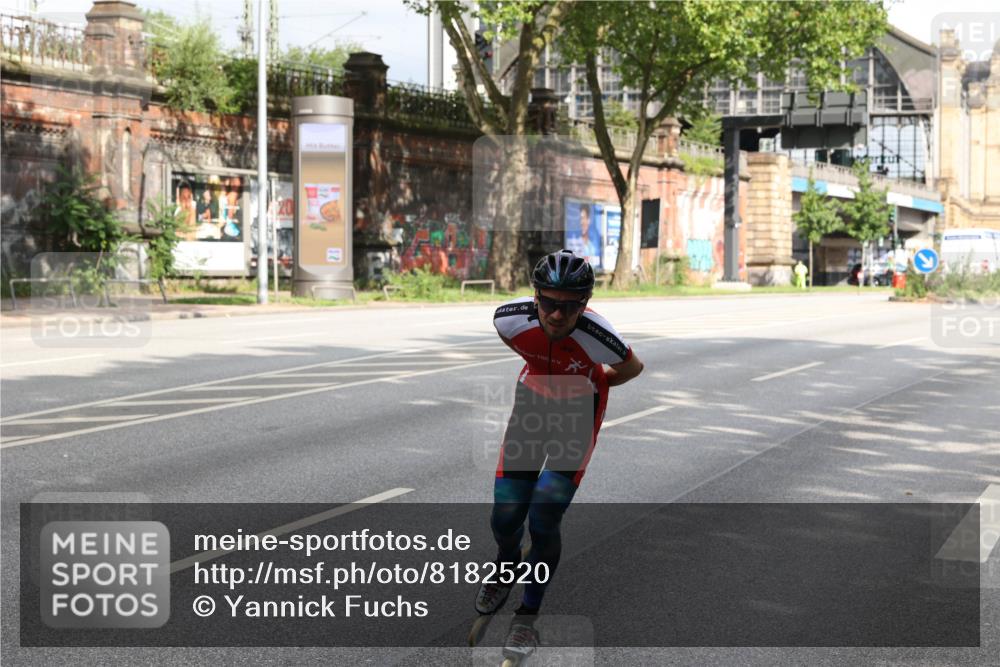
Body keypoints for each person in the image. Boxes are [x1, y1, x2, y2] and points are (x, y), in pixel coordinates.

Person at [478, 249, 644, 661]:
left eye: (570, 308)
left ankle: (526, 620)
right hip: (533, 404)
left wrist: (586, 382)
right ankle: (506, 560)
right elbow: (517, 343)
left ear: (584, 305)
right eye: (550, 303)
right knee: (505, 513)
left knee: (544, 515)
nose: (557, 315)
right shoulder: (509, 319)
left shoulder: (597, 335)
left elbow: (632, 368)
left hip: (577, 412)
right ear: (536, 297)